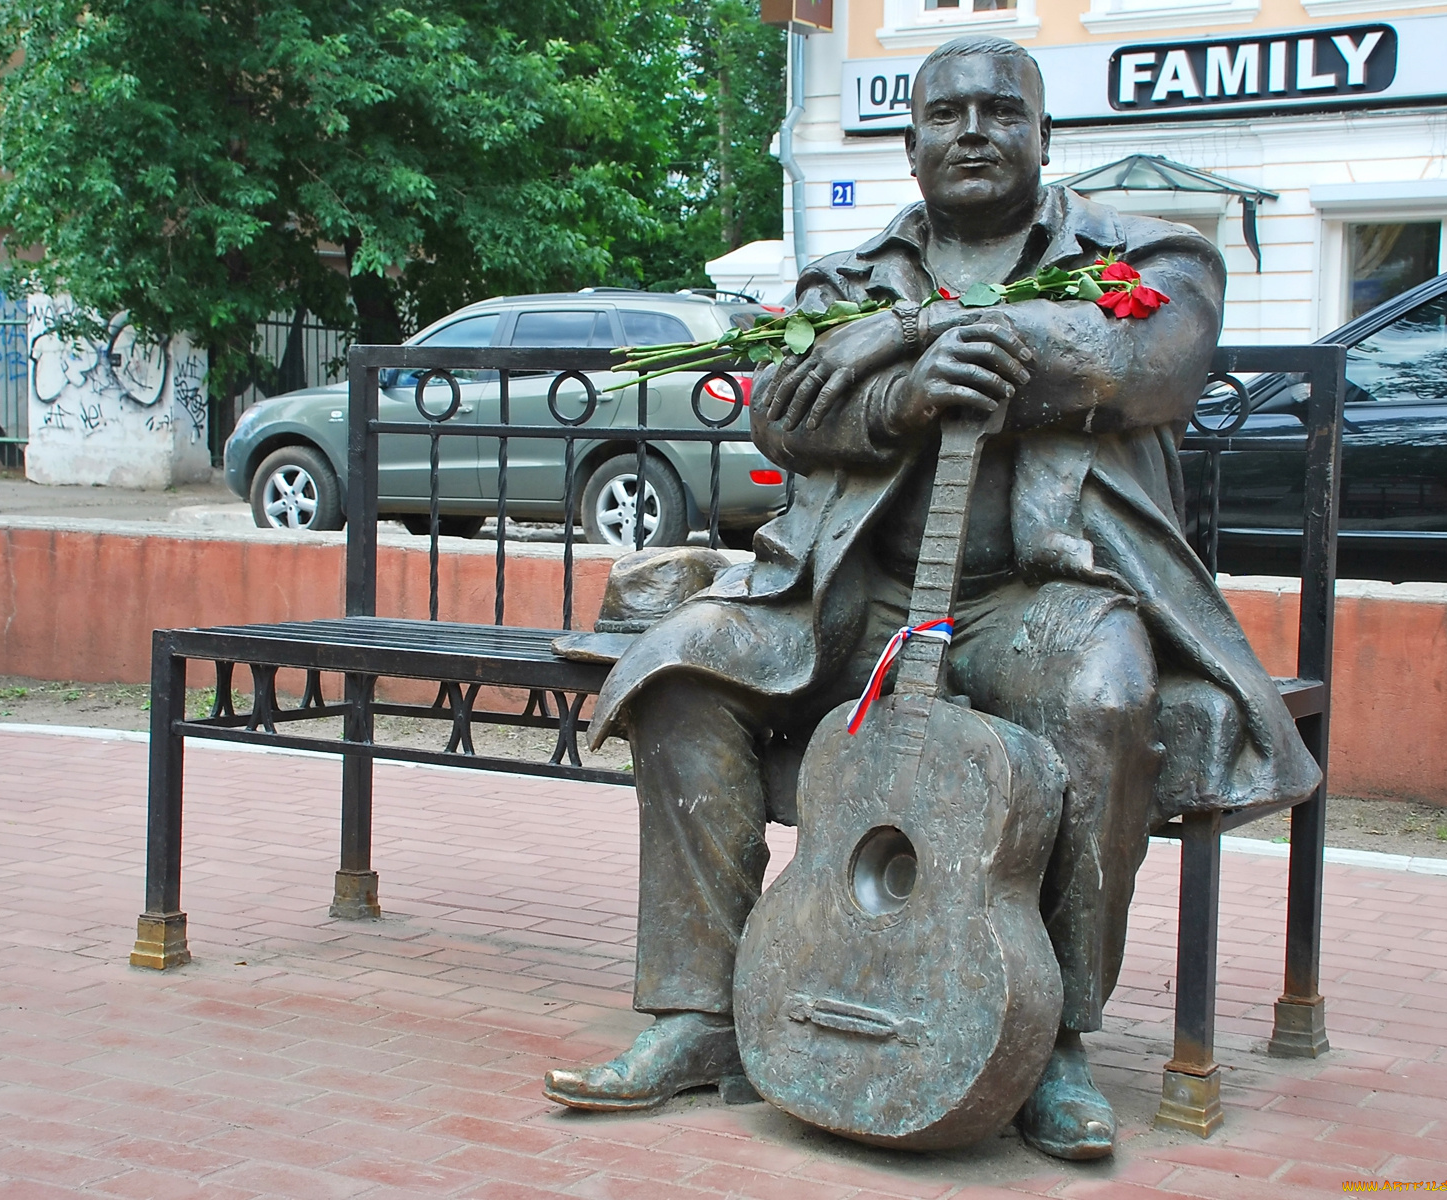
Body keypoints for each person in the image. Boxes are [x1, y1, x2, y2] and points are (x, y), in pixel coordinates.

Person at [544, 34, 1319, 1162]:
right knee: (682, 671)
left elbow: (1152, 354)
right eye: (944, 112)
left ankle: (1050, 1043)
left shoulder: (1146, 248)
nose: (971, 130)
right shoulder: (848, 280)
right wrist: (901, 395)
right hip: (848, 601)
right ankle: (697, 1016)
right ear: (908, 143)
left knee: (1104, 693)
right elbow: (780, 409)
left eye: (1000, 112)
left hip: (1037, 596)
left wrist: (949, 341)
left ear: (1044, 137)